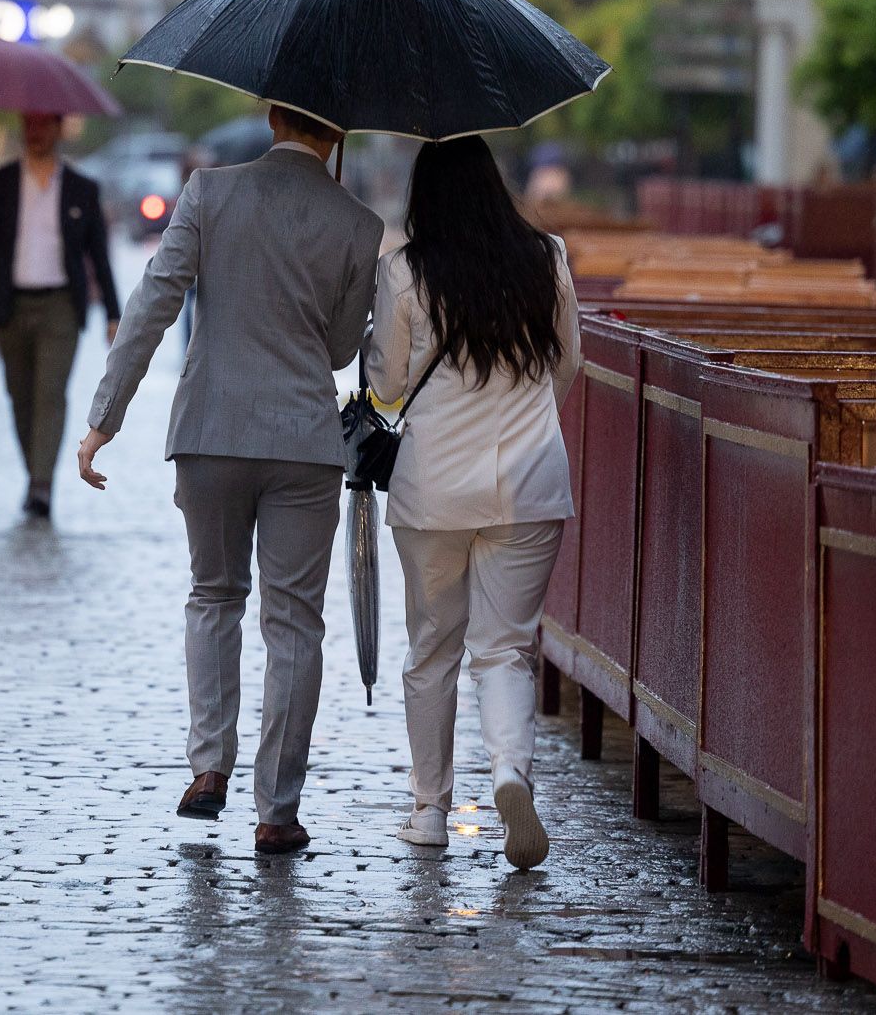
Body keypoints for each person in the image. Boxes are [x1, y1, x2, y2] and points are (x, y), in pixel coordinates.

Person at [76, 104, 384, 856]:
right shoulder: (359, 223)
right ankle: (277, 810)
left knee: (213, 594)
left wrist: (103, 419)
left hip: (210, 433)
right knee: (294, 625)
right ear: (335, 132)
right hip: (306, 444)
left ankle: (209, 766)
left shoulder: (207, 193)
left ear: (273, 114)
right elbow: (343, 349)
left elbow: (153, 302)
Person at [365, 135, 580, 871]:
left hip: (433, 488)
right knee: (506, 649)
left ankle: (429, 809)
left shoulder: (404, 272)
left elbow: (387, 385)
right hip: (530, 480)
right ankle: (511, 774)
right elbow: (568, 362)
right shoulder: (545, 257)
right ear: (495, 185)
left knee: (432, 650)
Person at [0, 112, 120, 518]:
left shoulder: (82, 189)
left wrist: (113, 312)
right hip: (9, 304)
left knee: (50, 395)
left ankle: (41, 485)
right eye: (29, 125)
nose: (36, 133)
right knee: (20, 396)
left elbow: (98, 253)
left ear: (57, 129)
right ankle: (35, 472)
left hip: (60, 306)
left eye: (44, 124)